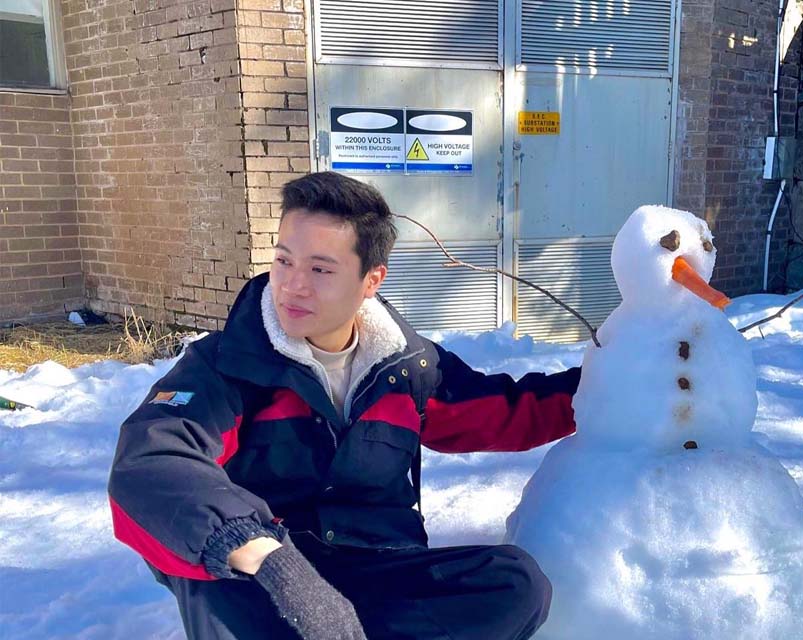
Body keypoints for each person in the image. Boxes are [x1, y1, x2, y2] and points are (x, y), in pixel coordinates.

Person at [108, 171, 581, 640]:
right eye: (283, 261)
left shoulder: (408, 369)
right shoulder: (224, 365)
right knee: (215, 584)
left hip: (376, 567)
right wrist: (266, 557)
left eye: (320, 269)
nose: (293, 285)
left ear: (371, 280)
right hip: (263, 579)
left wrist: (623, 375)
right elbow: (153, 462)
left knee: (515, 583)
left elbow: (507, 412)